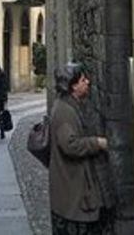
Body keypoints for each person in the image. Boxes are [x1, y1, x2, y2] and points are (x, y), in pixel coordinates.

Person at [49, 62, 116, 233]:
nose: (88, 82)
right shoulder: (65, 111)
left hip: (75, 193)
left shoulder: (70, 105)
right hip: (73, 196)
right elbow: (70, 145)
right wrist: (97, 143)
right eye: (83, 80)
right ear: (73, 86)